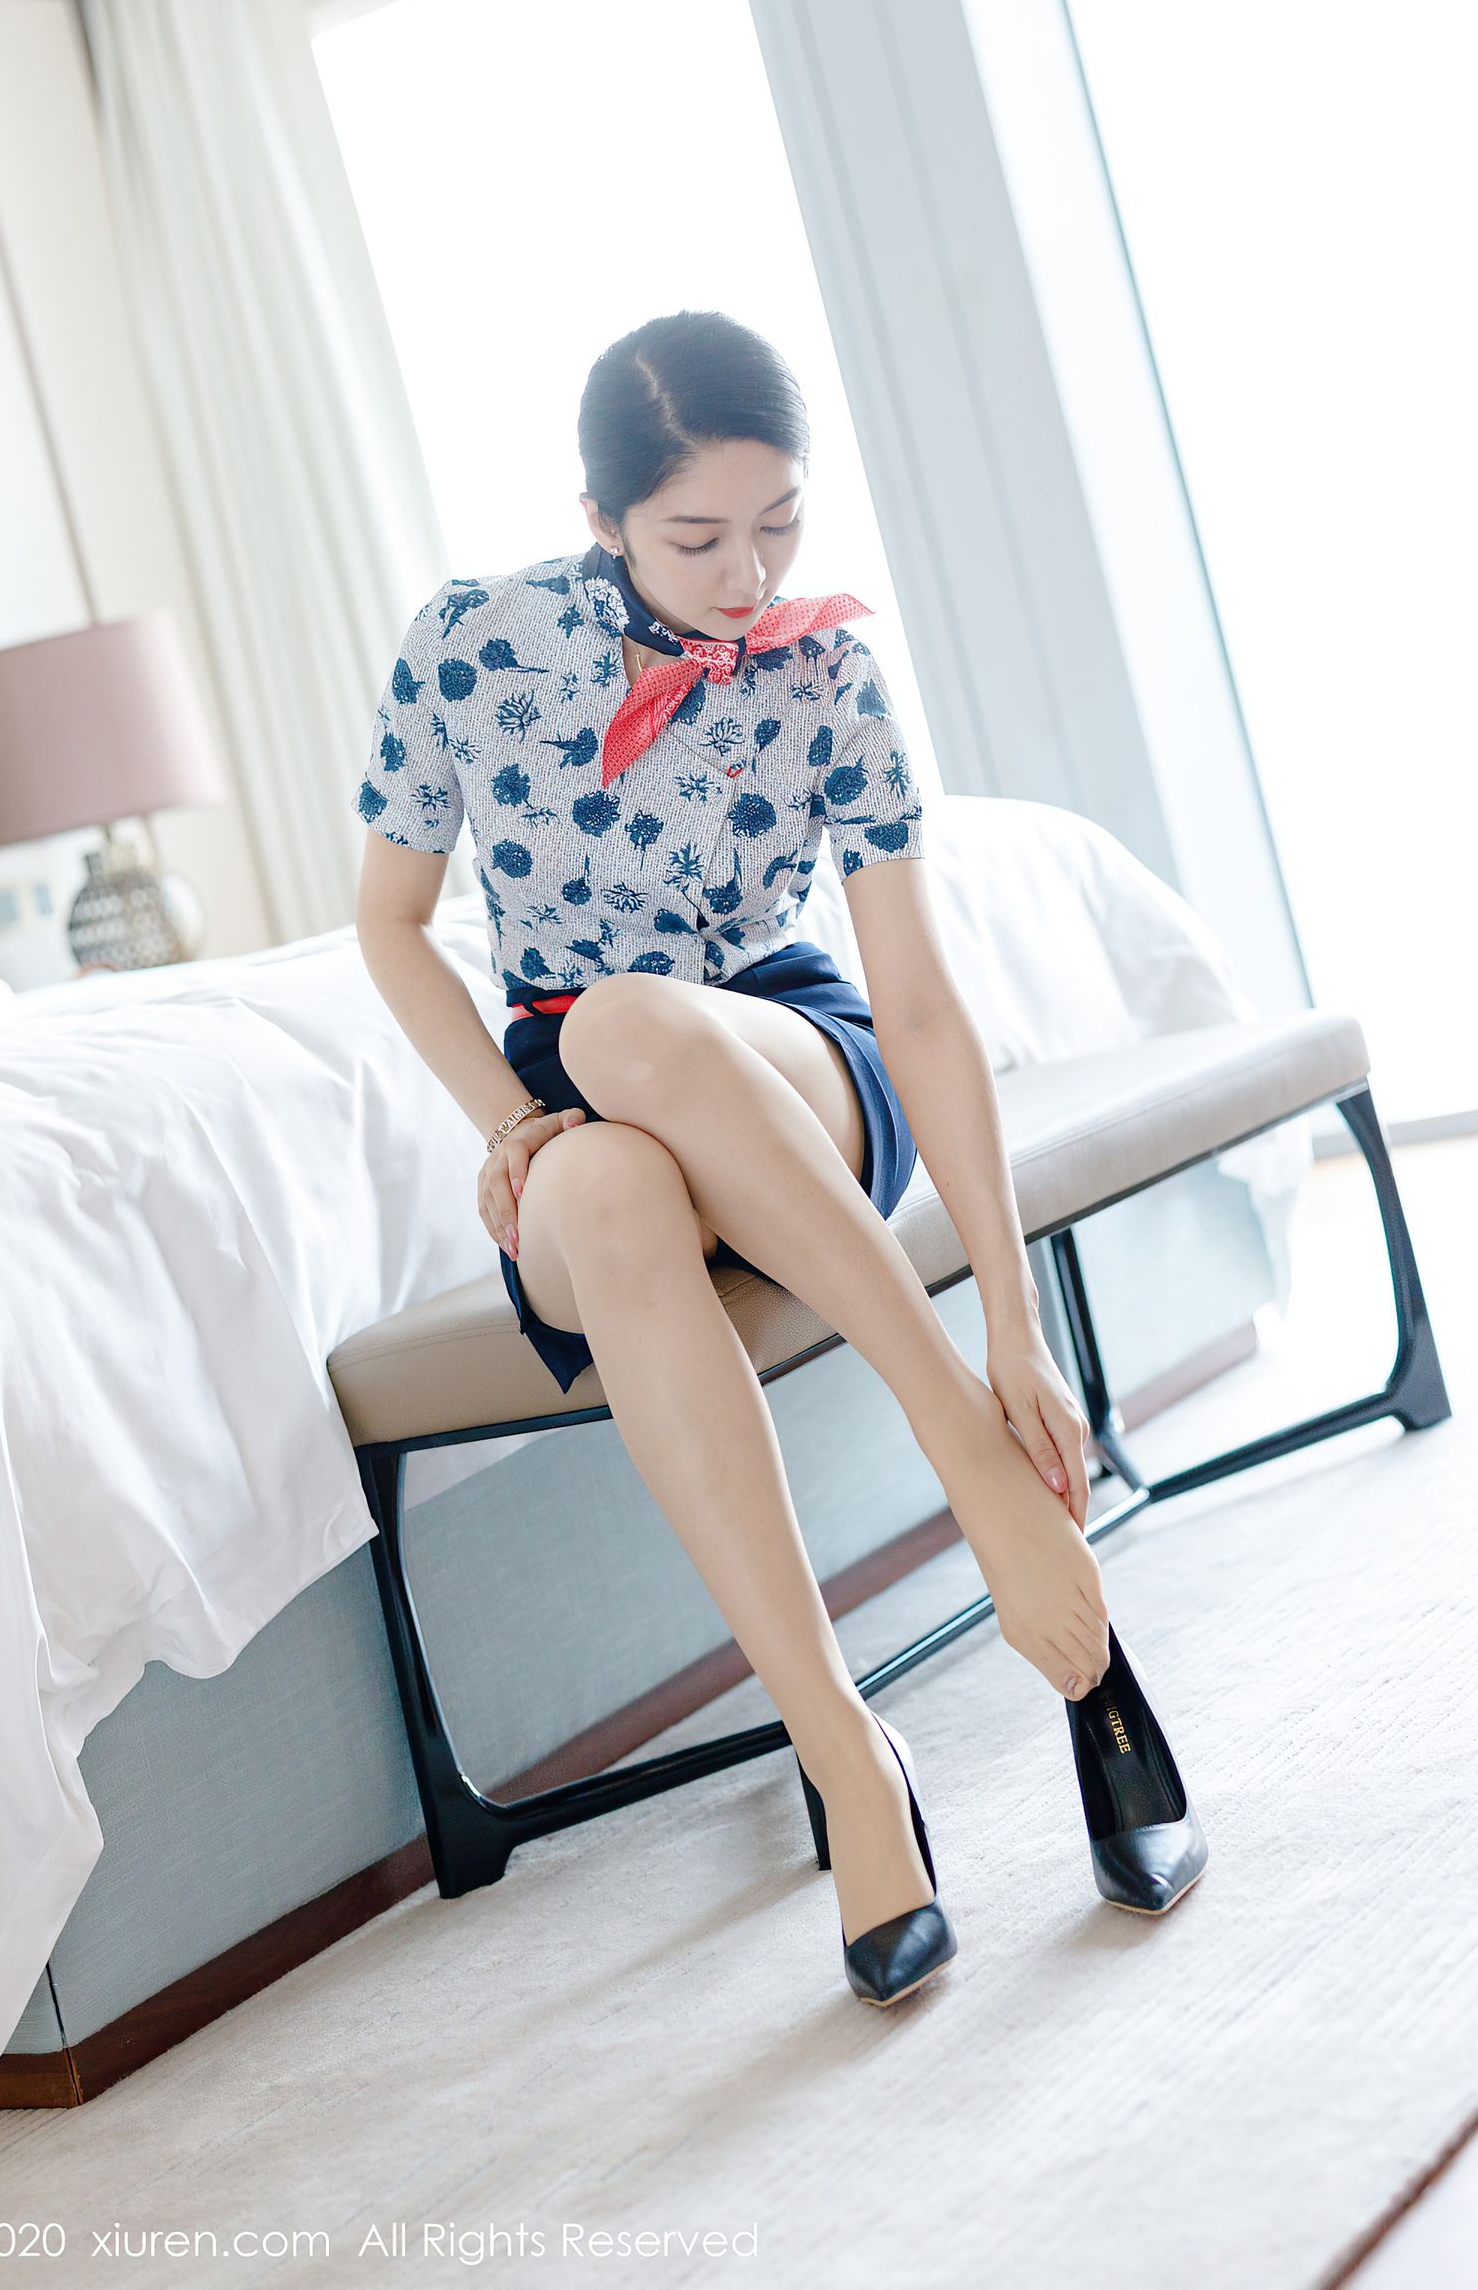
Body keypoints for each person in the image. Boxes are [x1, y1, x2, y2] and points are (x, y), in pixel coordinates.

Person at [351, 310, 1187, 2007]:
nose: (749, 574)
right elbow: (390, 923)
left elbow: (922, 1006)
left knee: (634, 1024)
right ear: (601, 519)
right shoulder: (470, 643)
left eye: (781, 522)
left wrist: (1012, 1318)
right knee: (602, 1150)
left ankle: (962, 1429)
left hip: (790, 1053)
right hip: (571, 1095)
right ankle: (843, 1746)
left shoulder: (830, 672)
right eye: (698, 537)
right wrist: (509, 1123)